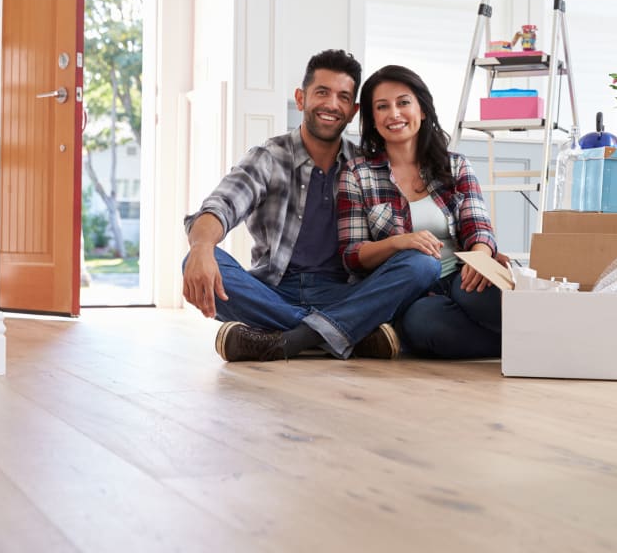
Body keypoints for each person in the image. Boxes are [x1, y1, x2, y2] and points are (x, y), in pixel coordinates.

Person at [182, 50, 440, 362]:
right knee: (196, 260)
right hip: (274, 290)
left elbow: (391, 248)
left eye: (343, 97)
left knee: (422, 265)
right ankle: (346, 335)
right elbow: (220, 206)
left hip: (347, 292)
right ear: (301, 98)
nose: (332, 104)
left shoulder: (366, 167)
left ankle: (288, 339)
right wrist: (200, 248)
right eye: (322, 92)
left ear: (353, 110)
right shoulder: (268, 157)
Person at [338, 64, 507, 359]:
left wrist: (480, 257)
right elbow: (353, 255)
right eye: (382, 107)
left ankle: (560, 337)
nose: (394, 114)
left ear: (423, 110)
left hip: (460, 273)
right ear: (372, 119)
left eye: (404, 102)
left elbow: (478, 227)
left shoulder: (456, 166)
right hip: (410, 293)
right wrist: (399, 242)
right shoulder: (357, 174)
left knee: (482, 296)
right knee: (424, 324)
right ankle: (523, 346)